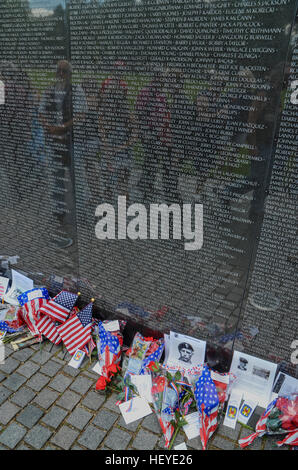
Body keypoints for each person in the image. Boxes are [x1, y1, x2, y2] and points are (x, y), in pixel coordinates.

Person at [39, 60, 87, 248]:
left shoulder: (77, 91)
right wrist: (50, 128)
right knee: (57, 177)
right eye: (58, 70)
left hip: (71, 141)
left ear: (69, 73)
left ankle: (80, 212)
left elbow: (81, 113)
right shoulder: (49, 90)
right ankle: (59, 210)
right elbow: (41, 110)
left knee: (76, 178)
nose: (60, 73)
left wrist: (62, 128)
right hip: (54, 142)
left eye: (64, 71)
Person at [135, 66, 171, 199]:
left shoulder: (161, 94)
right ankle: (146, 187)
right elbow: (138, 112)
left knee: (152, 159)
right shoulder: (145, 92)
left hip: (158, 133)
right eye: (162, 78)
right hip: (148, 132)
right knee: (152, 159)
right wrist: (142, 132)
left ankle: (145, 183)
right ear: (156, 78)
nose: (164, 81)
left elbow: (165, 110)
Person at [98, 80, 136, 201]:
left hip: (122, 154)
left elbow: (134, 135)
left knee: (121, 185)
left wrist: (121, 147)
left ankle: (121, 210)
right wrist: (106, 143)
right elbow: (101, 129)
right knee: (110, 185)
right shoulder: (104, 114)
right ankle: (111, 209)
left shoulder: (127, 116)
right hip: (110, 153)